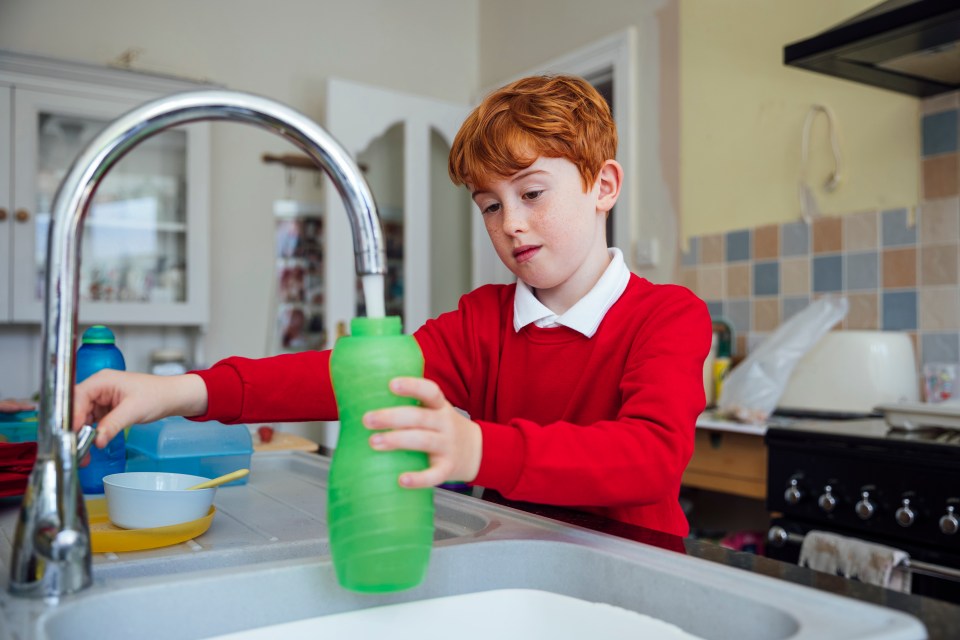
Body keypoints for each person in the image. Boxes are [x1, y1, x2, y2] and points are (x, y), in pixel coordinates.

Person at [73, 75, 712, 537]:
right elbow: (344, 374)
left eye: (532, 193)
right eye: (490, 204)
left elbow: (650, 459)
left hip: (636, 568)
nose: (511, 223)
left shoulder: (667, 315)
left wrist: (480, 451)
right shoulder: (484, 321)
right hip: (518, 557)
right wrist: (179, 391)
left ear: (603, 186)